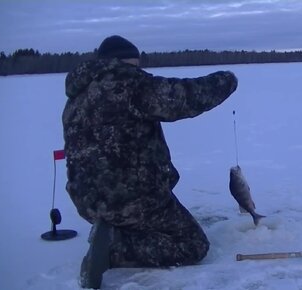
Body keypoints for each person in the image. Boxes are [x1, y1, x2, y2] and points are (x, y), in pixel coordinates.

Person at [63, 35, 238, 289]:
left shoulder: (75, 99)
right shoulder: (126, 84)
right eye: (135, 65)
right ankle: (115, 249)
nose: (138, 71)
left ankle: (113, 230)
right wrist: (226, 81)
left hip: (87, 201)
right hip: (131, 199)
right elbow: (182, 98)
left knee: (143, 213)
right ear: (121, 63)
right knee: (193, 244)